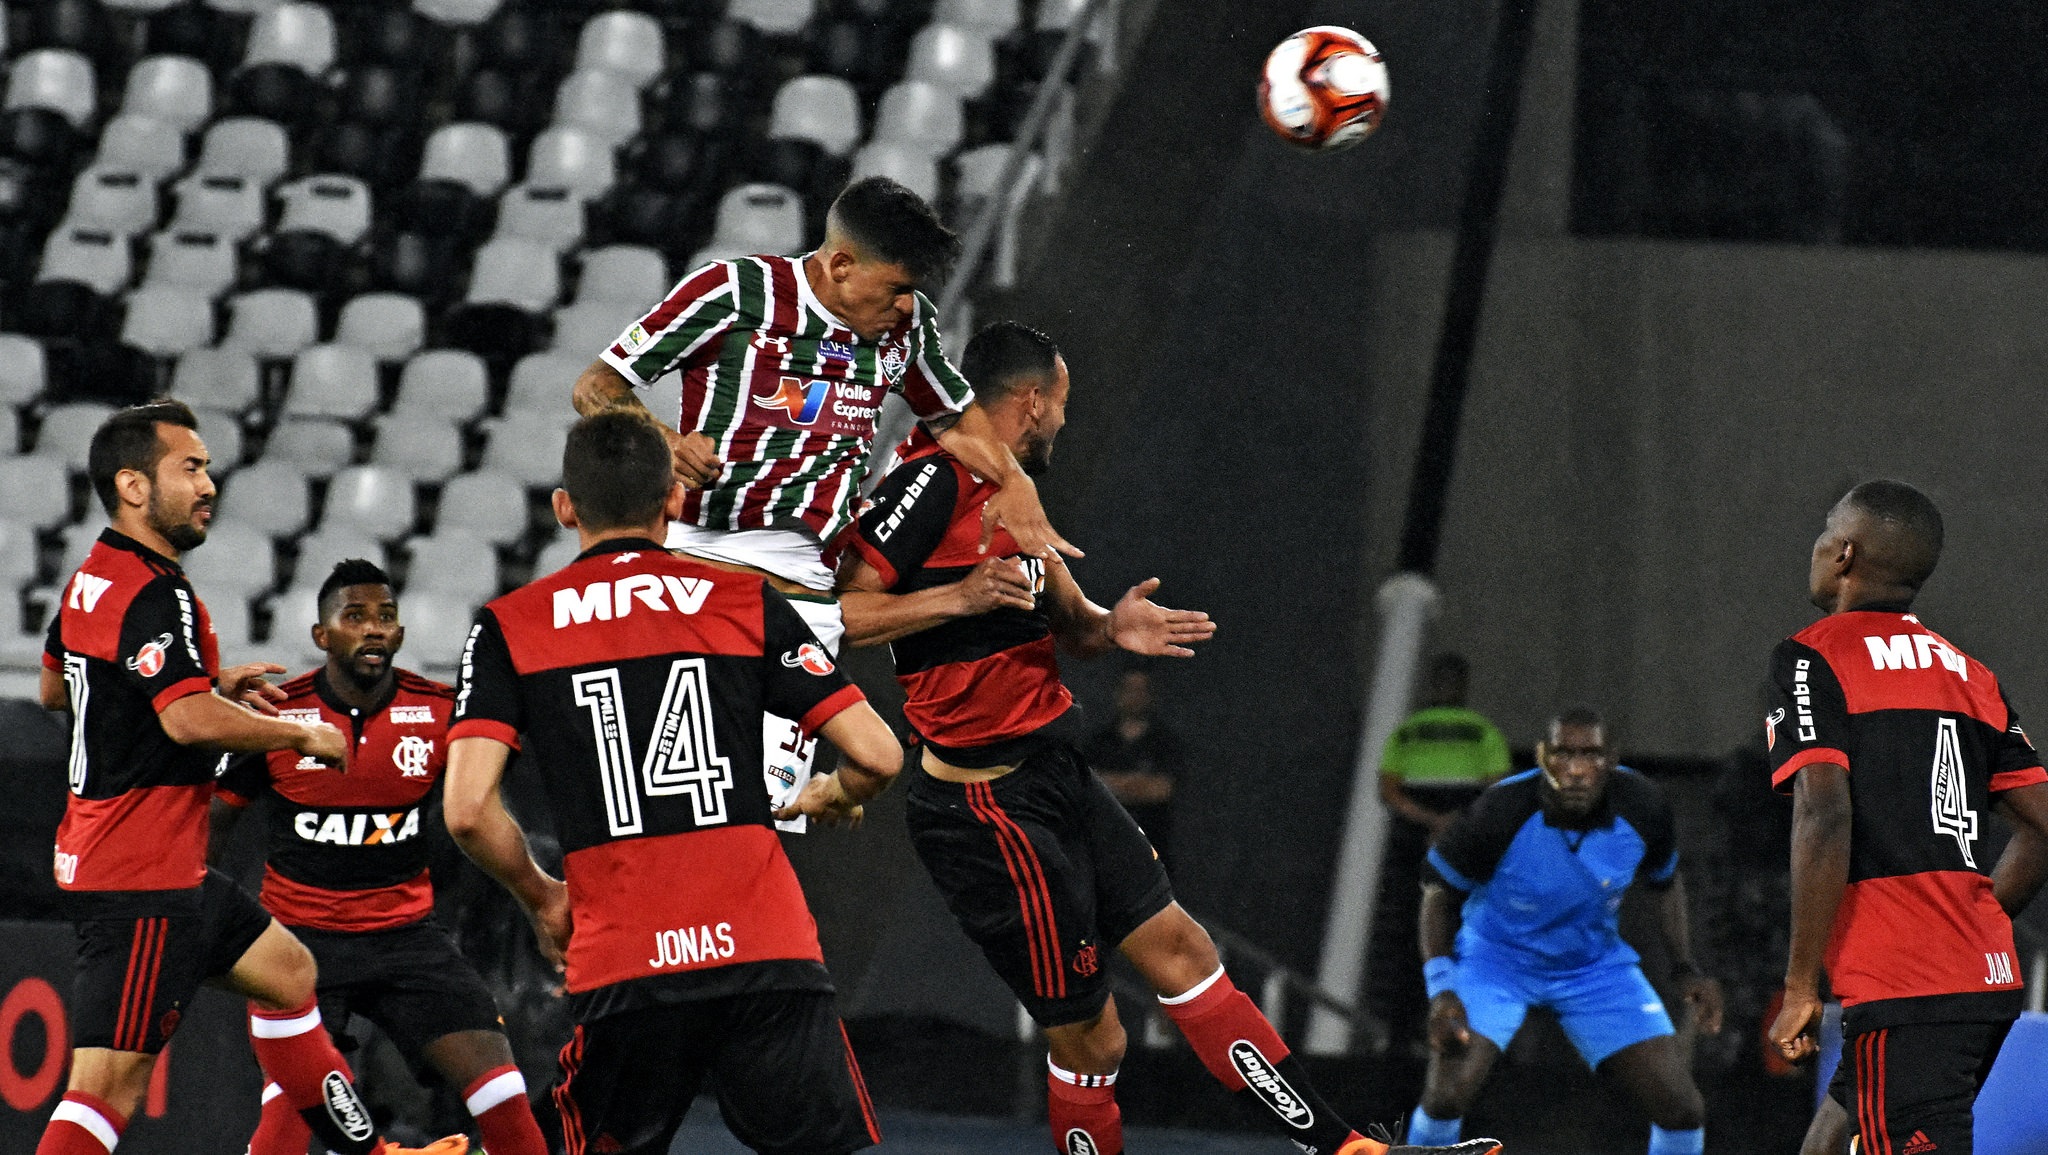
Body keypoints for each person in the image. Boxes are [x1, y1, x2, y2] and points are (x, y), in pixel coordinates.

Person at [835, 321, 1499, 1155]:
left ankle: (1348, 1151)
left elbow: (1070, 625)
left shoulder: (1020, 500)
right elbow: (843, 613)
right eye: (1063, 405)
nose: (1066, 423)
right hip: (983, 811)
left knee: (1185, 950)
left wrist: (1112, 625)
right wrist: (959, 599)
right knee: (1096, 1040)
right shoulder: (930, 482)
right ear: (1031, 401)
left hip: (1055, 772)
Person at [442, 408, 909, 1155]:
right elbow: (879, 754)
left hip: (627, 956)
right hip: (765, 946)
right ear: (675, 500)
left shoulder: (509, 625)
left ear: (565, 507)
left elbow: (466, 810)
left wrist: (542, 895)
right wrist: (838, 791)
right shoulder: (743, 600)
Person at [570, 175, 1075, 833]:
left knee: (757, 825)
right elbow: (595, 387)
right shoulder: (734, 293)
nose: (904, 307)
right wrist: (663, 440)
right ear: (840, 264)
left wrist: (1015, 480)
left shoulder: (906, 329)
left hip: (805, 605)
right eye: (894, 289)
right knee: (673, 814)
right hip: (702, 571)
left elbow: (953, 418)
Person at [34, 400, 461, 1155]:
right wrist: (298, 731)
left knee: (290, 971)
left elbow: (58, 687)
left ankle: (374, 1153)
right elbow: (187, 723)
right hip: (139, 878)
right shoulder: (154, 591)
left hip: (153, 864)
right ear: (134, 486)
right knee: (106, 1091)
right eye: (189, 467)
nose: (208, 484)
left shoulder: (91, 580)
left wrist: (197, 679)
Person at [210, 560, 546, 1155]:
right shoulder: (273, 714)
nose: (373, 629)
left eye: (385, 618)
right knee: (283, 1131)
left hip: (408, 940)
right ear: (322, 635)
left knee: (509, 1108)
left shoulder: (442, 711)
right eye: (355, 616)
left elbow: (486, 807)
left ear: (400, 635)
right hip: (299, 949)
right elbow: (208, 828)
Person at [1765, 480, 2048, 1155]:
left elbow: (1824, 813)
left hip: (1903, 983)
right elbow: (2041, 825)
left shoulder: (1811, 657)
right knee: (1830, 1141)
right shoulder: (1968, 672)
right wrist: (1977, 919)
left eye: (1825, 529)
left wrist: (1801, 982)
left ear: (1845, 553)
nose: (1818, 541)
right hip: (1980, 978)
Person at [1410, 709, 1721, 1154]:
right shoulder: (1500, 810)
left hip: (1592, 967)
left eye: (1590, 755)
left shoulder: (1645, 806)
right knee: (1445, 1098)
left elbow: (1665, 883)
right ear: (1542, 757)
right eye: (1562, 754)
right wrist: (1442, 988)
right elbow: (1438, 894)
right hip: (1496, 961)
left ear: (1612, 759)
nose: (1575, 769)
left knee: (1682, 1109)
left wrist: (1685, 968)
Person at [1369, 653, 1511, 1051]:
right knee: (1463, 933)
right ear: (1463, 687)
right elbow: (1495, 792)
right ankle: (1463, 1034)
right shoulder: (1483, 732)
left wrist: (1428, 819)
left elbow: (1389, 791)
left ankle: (1404, 1036)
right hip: (1460, 848)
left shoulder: (1408, 732)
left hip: (1415, 846)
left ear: (1433, 686)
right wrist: (1452, 821)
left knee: (1411, 937)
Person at [1079, 667, 1183, 859]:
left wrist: (1111, 784)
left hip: (1153, 849)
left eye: (1141, 690)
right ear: (1118, 694)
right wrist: (1138, 784)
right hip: (1105, 847)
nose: (1135, 696)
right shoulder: (1099, 743)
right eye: (1130, 689)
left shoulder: (1164, 742)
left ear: (1151, 696)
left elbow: (1162, 790)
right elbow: (1089, 789)